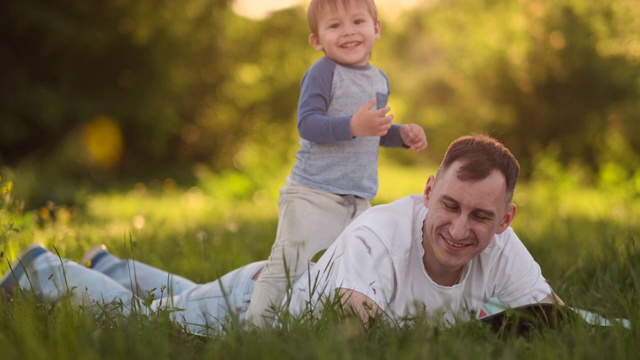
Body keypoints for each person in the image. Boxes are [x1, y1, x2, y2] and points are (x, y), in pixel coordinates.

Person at [0, 135, 561, 335]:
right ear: (429, 189)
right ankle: (40, 269)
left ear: (504, 219)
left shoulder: (503, 247)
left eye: (481, 218)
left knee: (174, 303)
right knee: (145, 326)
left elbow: (555, 317)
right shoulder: (381, 234)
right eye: (449, 206)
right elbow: (353, 322)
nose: (460, 230)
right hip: (259, 305)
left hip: (271, 285)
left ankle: (114, 268)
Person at [246, 0, 428, 327]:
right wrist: (353, 126)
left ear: (376, 29)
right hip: (312, 193)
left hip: (357, 199)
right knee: (288, 263)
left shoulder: (379, 79)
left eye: (357, 21)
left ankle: (338, 322)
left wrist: (401, 135)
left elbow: (372, 132)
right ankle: (256, 329)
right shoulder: (322, 72)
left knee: (358, 264)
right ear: (317, 40)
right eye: (334, 26)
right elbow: (308, 124)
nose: (348, 32)